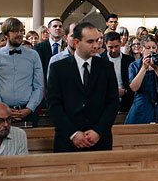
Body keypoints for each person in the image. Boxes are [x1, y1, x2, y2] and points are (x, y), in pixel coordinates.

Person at [47, 23, 119, 152]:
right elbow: (54, 104)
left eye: (97, 40)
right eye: (90, 41)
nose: (96, 45)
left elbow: (112, 102)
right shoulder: (58, 68)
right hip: (67, 141)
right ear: (76, 42)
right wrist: (73, 133)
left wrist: (98, 131)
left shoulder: (106, 67)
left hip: (99, 140)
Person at [0, 17, 44, 126]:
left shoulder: (33, 55)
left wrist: (29, 108)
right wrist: (3, 108)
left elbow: (39, 86)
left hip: (28, 111)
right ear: (5, 35)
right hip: (2, 112)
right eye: (14, 31)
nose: (19, 34)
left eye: (21, 31)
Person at [125, 36, 158, 124]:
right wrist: (144, 68)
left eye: (154, 47)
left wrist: (157, 69)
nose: (151, 50)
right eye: (148, 48)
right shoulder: (134, 65)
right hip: (141, 105)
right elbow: (134, 87)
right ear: (141, 49)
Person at [102, 31, 131, 111]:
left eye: (116, 46)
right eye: (110, 47)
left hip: (126, 102)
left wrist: (125, 91)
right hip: (105, 103)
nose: (114, 50)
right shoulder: (100, 61)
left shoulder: (129, 60)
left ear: (121, 43)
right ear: (105, 45)